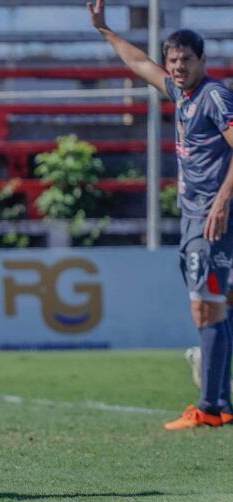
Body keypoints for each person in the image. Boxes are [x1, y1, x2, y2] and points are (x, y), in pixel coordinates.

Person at [89, 0, 233, 430]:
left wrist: (222, 202)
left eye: (186, 60)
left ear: (202, 60)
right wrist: (104, 29)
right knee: (219, 305)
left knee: (205, 310)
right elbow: (137, 62)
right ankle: (218, 398)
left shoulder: (213, 96)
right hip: (197, 217)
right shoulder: (180, 92)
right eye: (172, 61)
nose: (176, 67)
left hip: (212, 218)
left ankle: (210, 407)